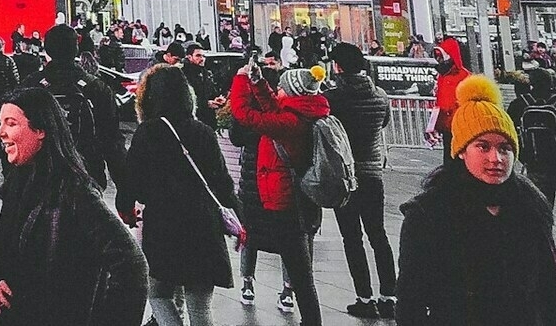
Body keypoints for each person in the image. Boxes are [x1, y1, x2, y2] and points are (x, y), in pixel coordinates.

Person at [396, 74, 556, 323]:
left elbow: (550, 290)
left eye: (505, 148)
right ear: (462, 151)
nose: (496, 158)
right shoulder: (429, 212)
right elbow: (411, 300)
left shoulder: (530, 206)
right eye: (483, 146)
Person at [0, 85, 147, 326]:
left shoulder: (75, 192)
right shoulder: (18, 183)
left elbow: (132, 265)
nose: (0, 132)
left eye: (11, 123)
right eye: (1, 123)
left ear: (40, 129)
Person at [118, 65, 238, 326]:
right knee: (200, 305)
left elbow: (132, 181)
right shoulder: (203, 131)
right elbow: (222, 182)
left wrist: (126, 207)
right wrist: (239, 218)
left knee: (158, 294)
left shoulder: (148, 132)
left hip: (164, 227)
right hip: (204, 226)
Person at [230, 63, 330, 326]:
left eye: (282, 88)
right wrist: (258, 82)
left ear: (293, 93)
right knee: (300, 268)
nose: (278, 91)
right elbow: (272, 105)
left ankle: (311, 321)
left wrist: (241, 81)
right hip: (295, 199)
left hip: (287, 202)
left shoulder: (290, 122)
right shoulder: (302, 112)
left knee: (300, 273)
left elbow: (245, 114)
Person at [326, 42, 397, 317]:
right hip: (372, 174)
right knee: (378, 235)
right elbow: (383, 124)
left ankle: (365, 299)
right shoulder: (379, 96)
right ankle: (389, 297)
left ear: (339, 66)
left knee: (352, 238)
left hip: (345, 176)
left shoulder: (333, 98)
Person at [40, 22, 125, 190]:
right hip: (87, 175)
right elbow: (112, 140)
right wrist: (125, 190)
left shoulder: (31, 87)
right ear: (76, 49)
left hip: (41, 176)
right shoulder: (96, 88)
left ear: (47, 49)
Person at [511, 64, 556, 260]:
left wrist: (524, 158)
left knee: (540, 210)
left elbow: (511, 135)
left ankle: (543, 249)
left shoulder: (520, 105)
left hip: (536, 167)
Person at [426, 37, 470, 165]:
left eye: (441, 56)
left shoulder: (464, 76)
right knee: (449, 157)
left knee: (459, 158)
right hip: (446, 125)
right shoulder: (442, 76)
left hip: (460, 124)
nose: (438, 59)